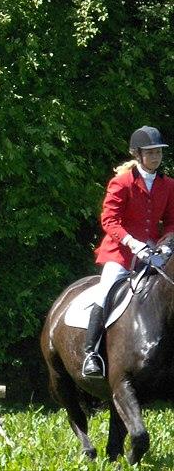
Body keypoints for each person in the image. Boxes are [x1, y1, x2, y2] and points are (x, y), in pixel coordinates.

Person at [83, 126, 174, 377]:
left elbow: (172, 221)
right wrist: (133, 243)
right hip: (121, 254)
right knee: (105, 292)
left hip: (154, 254)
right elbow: (109, 220)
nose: (156, 157)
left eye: (158, 152)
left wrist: (166, 243)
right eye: (151, 152)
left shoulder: (168, 185)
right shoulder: (122, 182)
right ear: (138, 154)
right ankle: (91, 354)